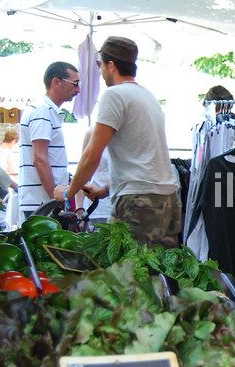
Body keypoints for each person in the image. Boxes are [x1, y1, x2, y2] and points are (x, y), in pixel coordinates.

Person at [57, 37, 181, 247]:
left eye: (99, 64)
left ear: (111, 65)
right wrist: (105, 189)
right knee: (158, 273)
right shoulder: (147, 96)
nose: (100, 70)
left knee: (122, 272)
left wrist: (67, 193)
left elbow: (91, 156)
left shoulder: (114, 95)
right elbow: (145, 161)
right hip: (167, 198)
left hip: (139, 202)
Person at [19, 61, 80, 217]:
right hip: (42, 203)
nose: (78, 89)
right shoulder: (42, 111)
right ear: (56, 82)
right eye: (75, 84)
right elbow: (40, 159)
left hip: (41, 202)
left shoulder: (46, 111)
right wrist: (56, 201)